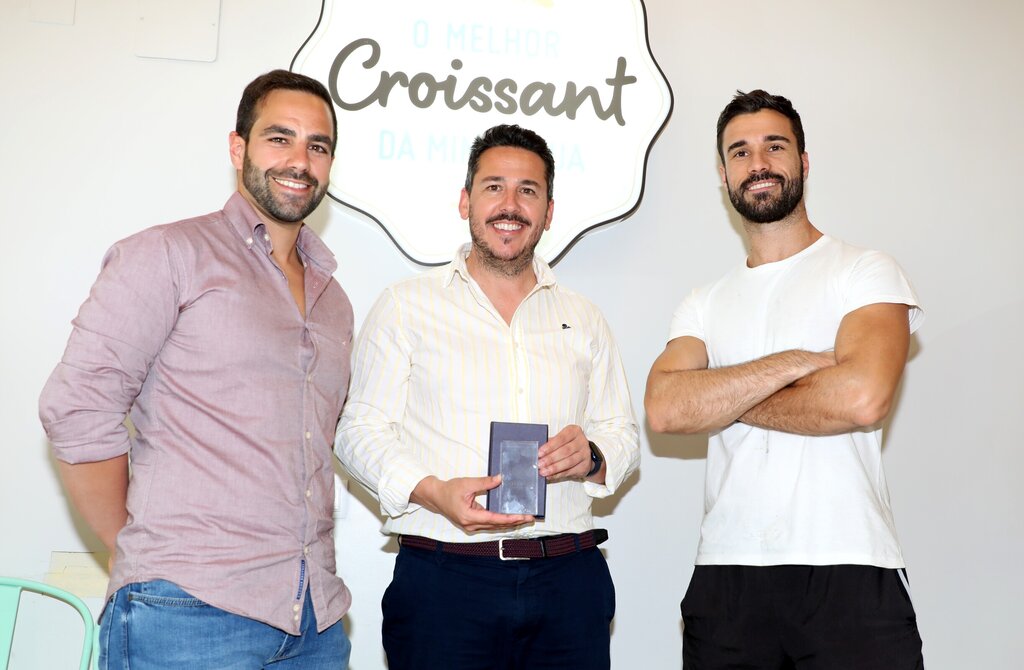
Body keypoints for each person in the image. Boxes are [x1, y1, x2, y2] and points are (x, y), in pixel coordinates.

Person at [39, 70, 353, 669]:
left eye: (318, 146)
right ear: (238, 148)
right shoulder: (168, 254)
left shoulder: (333, 300)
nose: (300, 160)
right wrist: (139, 552)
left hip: (315, 623)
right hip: (186, 612)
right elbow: (77, 409)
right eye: (279, 138)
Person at [335, 124, 640, 670]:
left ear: (549, 211)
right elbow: (357, 432)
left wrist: (593, 456)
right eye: (494, 186)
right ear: (465, 201)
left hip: (569, 581)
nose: (510, 205)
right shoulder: (405, 306)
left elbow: (623, 434)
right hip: (444, 582)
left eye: (528, 190)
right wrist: (432, 491)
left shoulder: (585, 317)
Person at [645, 90, 925, 668]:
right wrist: (800, 361)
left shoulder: (865, 271)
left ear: (803, 160)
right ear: (723, 174)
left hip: (850, 567)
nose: (759, 163)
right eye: (740, 152)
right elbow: (666, 409)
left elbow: (862, 397)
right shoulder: (703, 302)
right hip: (726, 576)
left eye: (775, 146)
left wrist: (720, 395)